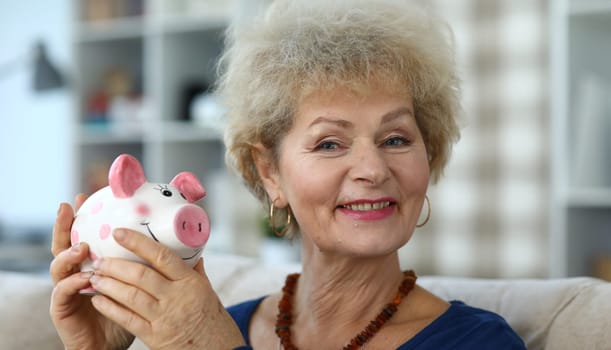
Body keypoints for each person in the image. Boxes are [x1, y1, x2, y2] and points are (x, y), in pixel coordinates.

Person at [49, 0, 526, 349]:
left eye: (396, 139)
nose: (373, 169)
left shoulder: (477, 341)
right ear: (269, 172)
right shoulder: (218, 326)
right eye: (330, 143)